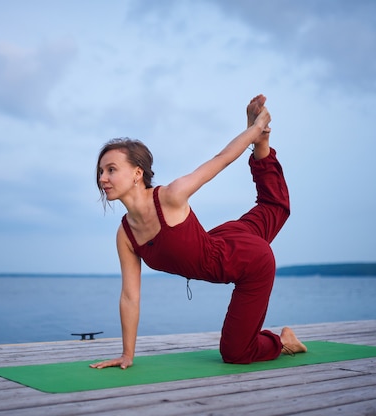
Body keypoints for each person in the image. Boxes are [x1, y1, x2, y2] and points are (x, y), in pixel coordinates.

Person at [90, 94, 307, 370]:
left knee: (236, 353)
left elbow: (222, 159)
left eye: (111, 170)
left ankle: (283, 341)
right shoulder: (126, 235)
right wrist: (127, 354)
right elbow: (130, 296)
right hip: (226, 240)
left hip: (250, 262)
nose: (102, 179)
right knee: (274, 205)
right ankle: (264, 144)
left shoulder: (171, 196)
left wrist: (252, 131)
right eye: (100, 172)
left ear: (136, 173)